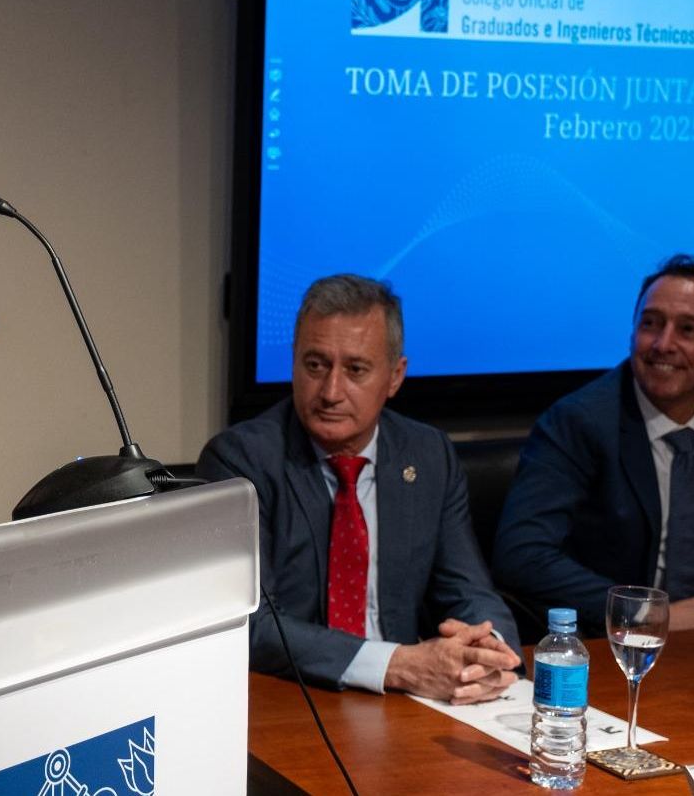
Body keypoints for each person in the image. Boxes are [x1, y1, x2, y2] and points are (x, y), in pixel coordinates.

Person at [197, 274, 520, 703]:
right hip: (292, 698)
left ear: (395, 376)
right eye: (315, 365)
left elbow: (470, 592)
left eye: (355, 370)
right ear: (293, 361)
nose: (331, 391)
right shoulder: (241, 462)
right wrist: (398, 665)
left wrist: (487, 651)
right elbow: (249, 624)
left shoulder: (427, 455)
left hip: (410, 701)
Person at [492, 254, 694, 634]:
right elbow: (522, 554)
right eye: (650, 324)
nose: (664, 344)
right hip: (618, 644)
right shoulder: (581, 421)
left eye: (689, 330)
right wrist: (649, 613)